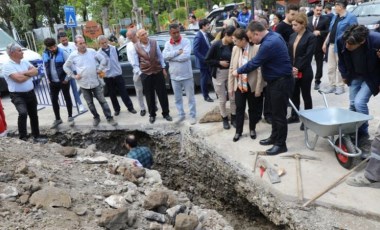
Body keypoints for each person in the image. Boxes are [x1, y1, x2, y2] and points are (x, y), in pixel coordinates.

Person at [232, 21, 294, 155]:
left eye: (251, 38)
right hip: (274, 82)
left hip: (280, 82)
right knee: (273, 112)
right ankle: (274, 137)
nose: (250, 40)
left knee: (279, 115)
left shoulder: (269, 44)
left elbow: (255, 63)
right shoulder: (273, 35)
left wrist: (238, 71)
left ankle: (281, 144)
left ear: (257, 33)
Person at [337, 25, 380, 149]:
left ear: (362, 41)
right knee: (352, 104)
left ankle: (363, 135)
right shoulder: (342, 39)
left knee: (359, 102)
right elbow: (341, 59)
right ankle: (352, 131)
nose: (346, 46)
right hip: (354, 75)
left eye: (350, 44)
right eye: (346, 43)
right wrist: (344, 74)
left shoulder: (376, 40)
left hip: (372, 77)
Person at [63, 35, 117, 127]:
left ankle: (109, 117)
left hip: (95, 82)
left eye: (84, 43)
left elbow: (103, 59)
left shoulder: (92, 52)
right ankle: (96, 117)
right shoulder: (73, 55)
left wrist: (100, 69)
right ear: (76, 45)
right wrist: (74, 76)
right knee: (90, 103)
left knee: (102, 101)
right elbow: (65, 66)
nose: (83, 45)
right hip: (83, 84)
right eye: (80, 43)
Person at [2, 43, 46, 142]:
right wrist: (28, 74)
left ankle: (36, 136)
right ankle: (23, 137)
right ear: (12, 53)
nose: (22, 52)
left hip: (30, 92)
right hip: (17, 95)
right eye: (19, 50)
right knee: (22, 113)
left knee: (33, 114)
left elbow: (36, 71)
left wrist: (24, 73)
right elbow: (18, 79)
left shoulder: (24, 62)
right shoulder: (7, 65)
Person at [229, 28, 265, 142]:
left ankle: (252, 129)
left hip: (252, 85)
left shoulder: (256, 48)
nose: (234, 43)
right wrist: (230, 87)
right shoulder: (235, 49)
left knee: (252, 109)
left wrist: (259, 88)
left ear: (243, 40)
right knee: (239, 109)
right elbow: (231, 68)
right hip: (239, 85)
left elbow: (259, 70)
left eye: (236, 41)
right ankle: (238, 131)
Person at [133, 29, 172, 124]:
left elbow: (160, 56)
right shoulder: (136, 46)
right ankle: (152, 115)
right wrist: (140, 73)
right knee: (149, 95)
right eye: (142, 35)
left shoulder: (154, 42)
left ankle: (166, 113)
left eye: (145, 33)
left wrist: (163, 67)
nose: (145, 36)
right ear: (139, 37)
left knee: (162, 93)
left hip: (157, 71)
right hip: (145, 73)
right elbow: (135, 62)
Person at [163, 24, 197, 125]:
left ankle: (192, 115)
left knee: (190, 97)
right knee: (177, 99)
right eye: (174, 33)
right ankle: (181, 115)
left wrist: (172, 57)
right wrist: (178, 52)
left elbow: (185, 57)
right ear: (170, 33)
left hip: (187, 75)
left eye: (178, 32)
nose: (177, 34)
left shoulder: (186, 41)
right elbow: (164, 56)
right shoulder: (167, 44)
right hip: (174, 76)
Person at [287, 13, 316, 130]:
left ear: (303, 24)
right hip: (293, 70)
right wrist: (290, 67)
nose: (293, 27)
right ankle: (295, 115)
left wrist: (297, 67)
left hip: (305, 71)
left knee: (306, 95)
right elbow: (289, 53)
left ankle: (308, 120)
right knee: (294, 94)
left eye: (295, 25)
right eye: (292, 25)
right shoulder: (292, 36)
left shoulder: (311, 37)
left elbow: (307, 56)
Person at [322, 0, 357, 95]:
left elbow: (354, 32)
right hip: (332, 44)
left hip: (341, 46)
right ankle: (332, 85)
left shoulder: (351, 17)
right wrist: (325, 42)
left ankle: (340, 86)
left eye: (335, 5)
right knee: (330, 67)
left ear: (340, 6)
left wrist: (348, 45)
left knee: (340, 67)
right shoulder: (334, 17)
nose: (334, 7)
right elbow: (331, 31)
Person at [97, 35, 137, 116]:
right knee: (112, 95)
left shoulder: (114, 48)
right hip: (108, 77)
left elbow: (117, 59)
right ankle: (117, 109)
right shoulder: (98, 53)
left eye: (105, 42)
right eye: (102, 43)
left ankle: (130, 107)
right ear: (99, 44)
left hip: (118, 75)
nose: (104, 44)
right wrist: (102, 76)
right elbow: (99, 66)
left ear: (107, 41)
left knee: (124, 92)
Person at [205, 26, 236, 130]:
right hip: (219, 74)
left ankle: (234, 117)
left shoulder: (233, 45)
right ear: (226, 35)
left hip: (231, 74)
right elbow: (207, 60)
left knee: (233, 97)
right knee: (222, 99)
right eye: (232, 37)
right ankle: (224, 118)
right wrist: (219, 63)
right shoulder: (216, 45)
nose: (234, 39)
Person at [42, 37, 74, 129]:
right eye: (51, 47)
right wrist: (47, 78)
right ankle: (57, 119)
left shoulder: (63, 52)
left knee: (67, 98)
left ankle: (70, 117)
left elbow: (70, 66)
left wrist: (67, 78)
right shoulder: (45, 54)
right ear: (47, 47)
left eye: (54, 46)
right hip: (52, 82)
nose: (53, 49)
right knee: (54, 100)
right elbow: (45, 66)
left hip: (63, 80)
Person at [58, 32, 86, 113]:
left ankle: (77, 96)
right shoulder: (59, 48)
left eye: (66, 39)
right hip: (66, 71)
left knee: (81, 85)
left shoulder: (73, 44)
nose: (65, 41)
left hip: (76, 69)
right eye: (63, 40)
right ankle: (80, 104)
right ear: (59, 40)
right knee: (73, 88)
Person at [307, 4, 331, 90]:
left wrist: (320, 32)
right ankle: (306, 80)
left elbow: (328, 31)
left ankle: (317, 81)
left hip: (319, 45)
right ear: (313, 10)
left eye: (320, 10)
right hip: (309, 45)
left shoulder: (325, 19)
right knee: (306, 63)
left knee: (319, 64)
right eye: (317, 10)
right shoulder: (308, 19)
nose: (319, 12)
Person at [126, 29, 149, 117]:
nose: (130, 39)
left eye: (131, 37)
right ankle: (142, 108)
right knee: (139, 91)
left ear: (135, 35)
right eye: (129, 38)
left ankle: (154, 105)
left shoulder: (142, 42)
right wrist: (138, 71)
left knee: (150, 89)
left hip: (147, 70)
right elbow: (131, 60)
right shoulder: (129, 46)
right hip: (137, 72)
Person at [194, 19, 214, 102]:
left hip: (208, 61)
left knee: (212, 77)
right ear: (203, 26)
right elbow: (195, 50)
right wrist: (204, 59)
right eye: (208, 25)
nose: (209, 26)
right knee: (204, 79)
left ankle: (217, 93)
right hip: (203, 62)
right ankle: (206, 96)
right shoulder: (198, 36)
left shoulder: (206, 34)